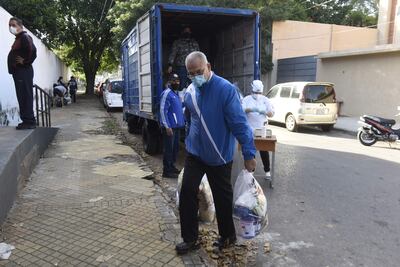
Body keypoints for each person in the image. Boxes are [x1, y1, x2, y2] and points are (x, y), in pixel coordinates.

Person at [176, 51, 257, 255]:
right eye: (191, 74)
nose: (196, 77)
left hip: (219, 155)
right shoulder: (190, 91)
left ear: (209, 67)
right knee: (187, 192)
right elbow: (190, 117)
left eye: (199, 72)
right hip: (195, 153)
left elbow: (239, 124)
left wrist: (249, 153)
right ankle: (190, 239)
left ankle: (228, 235)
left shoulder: (225, 90)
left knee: (222, 198)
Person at [7, 17, 37, 130]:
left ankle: (29, 121)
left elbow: (32, 51)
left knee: (25, 95)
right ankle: (26, 120)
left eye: (13, 25)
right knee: (22, 96)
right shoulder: (19, 38)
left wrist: (25, 62)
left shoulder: (24, 37)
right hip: (20, 72)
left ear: (20, 26)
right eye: (10, 25)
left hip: (23, 71)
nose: (11, 27)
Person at [242, 80, 275, 179]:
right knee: (251, 151)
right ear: (252, 90)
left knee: (264, 150)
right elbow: (242, 110)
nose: (257, 95)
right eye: (256, 93)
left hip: (262, 129)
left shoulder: (265, 100)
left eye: (259, 93)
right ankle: (251, 171)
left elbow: (272, 113)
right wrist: (252, 109)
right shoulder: (247, 99)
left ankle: (267, 171)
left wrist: (264, 111)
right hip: (250, 129)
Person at [159, 73, 185, 178]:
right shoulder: (167, 93)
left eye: (177, 81)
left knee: (175, 149)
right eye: (174, 81)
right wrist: (167, 126)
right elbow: (162, 110)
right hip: (170, 128)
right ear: (169, 82)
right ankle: (167, 171)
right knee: (169, 149)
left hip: (177, 127)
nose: (176, 83)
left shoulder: (176, 94)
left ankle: (172, 166)